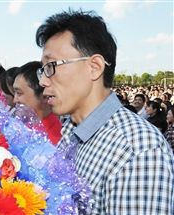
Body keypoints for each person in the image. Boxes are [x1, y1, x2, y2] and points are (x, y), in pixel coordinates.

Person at [36, 10, 174, 214]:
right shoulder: (70, 130)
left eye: (51, 66)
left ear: (94, 67)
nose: (43, 80)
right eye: (43, 69)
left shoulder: (137, 151)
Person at [13, 61, 61, 145]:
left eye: (19, 93)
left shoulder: (53, 142)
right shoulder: (27, 128)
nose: (15, 100)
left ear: (45, 96)